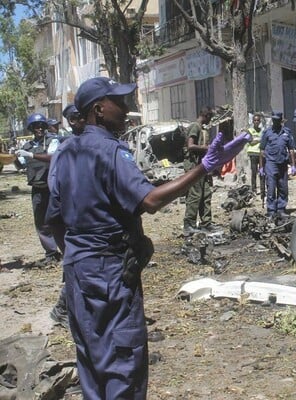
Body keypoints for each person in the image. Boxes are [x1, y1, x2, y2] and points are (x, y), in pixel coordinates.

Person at [45, 76, 250, 399]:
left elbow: (54, 220)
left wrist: (76, 254)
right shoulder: (111, 151)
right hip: (110, 272)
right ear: (99, 109)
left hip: (77, 271)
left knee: (91, 361)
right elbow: (151, 201)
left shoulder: (65, 153)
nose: (127, 110)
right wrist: (206, 167)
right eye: (120, 103)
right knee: (122, 364)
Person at [48, 104, 86, 330]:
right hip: (73, 216)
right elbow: (56, 186)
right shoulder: (66, 149)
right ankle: (63, 309)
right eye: (77, 117)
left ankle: (65, 308)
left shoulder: (92, 144)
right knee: (75, 264)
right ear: (72, 121)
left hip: (85, 215)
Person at [15, 113, 61, 264]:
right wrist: (15, 158)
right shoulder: (27, 146)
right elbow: (20, 164)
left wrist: (30, 155)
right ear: (31, 128)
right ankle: (51, 253)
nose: (39, 129)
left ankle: (68, 251)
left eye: (42, 125)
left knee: (60, 219)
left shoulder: (52, 141)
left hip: (54, 187)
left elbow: (52, 157)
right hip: (37, 188)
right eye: (36, 126)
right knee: (41, 222)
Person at [183, 107, 215, 235]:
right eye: (210, 118)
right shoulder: (195, 127)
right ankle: (189, 224)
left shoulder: (203, 129)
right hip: (194, 166)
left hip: (203, 166)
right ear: (206, 116)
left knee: (206, 194)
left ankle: (206, 223)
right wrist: (207, 148)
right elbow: (190, 146)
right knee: (195, 195)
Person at [259, 111, 296, 218]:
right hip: (270, 163)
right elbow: (261, 150)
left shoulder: (287, 132)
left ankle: (281, 209)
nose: (275, 122)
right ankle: (271, 210)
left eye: (277, 120)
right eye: (273, 120)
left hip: (283, 164)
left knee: (283, 188)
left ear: (281, 121)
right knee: (271, 188)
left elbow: (291, 150)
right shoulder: (267, 132)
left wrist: (293, 165)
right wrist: (261, 167)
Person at [246, 113, 263, 194]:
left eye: (258, 120)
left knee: (262, 171)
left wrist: (256, 139)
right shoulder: (250, 131)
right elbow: (251, 142)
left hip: (261, 154)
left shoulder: (262, 131)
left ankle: (262, 188)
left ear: (260, 121)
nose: (256, 122)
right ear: (252, 121)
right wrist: (259, 140)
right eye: (255, 120)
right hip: (253, 154)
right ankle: (254, 189)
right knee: (254, 172)